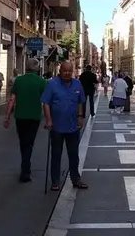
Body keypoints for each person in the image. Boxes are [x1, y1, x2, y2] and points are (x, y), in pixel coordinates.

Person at [42, 61, 88, 191]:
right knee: (56, 154)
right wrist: (49, 120)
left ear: (72, 71)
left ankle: (76, 179)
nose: (67, 73)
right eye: (64, 71)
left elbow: (80, 102)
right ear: (60, 71)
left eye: (69, 71)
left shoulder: (77, 84)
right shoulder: (52, 84)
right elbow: (46, 103)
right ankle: (55, 181)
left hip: (73, 126)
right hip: (56, 127)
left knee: (74, 155)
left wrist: (80, 117)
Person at [3, 59, 47, 183]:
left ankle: (25, 167)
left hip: (20, 116)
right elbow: (46, 102)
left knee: (23, 142)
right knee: (29, 143)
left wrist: (7, 117)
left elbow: (12, 99)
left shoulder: (19, 81)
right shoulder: (41, 82)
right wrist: (49, 118)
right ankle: (25, 170)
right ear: (36, 68)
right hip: (34, 117)